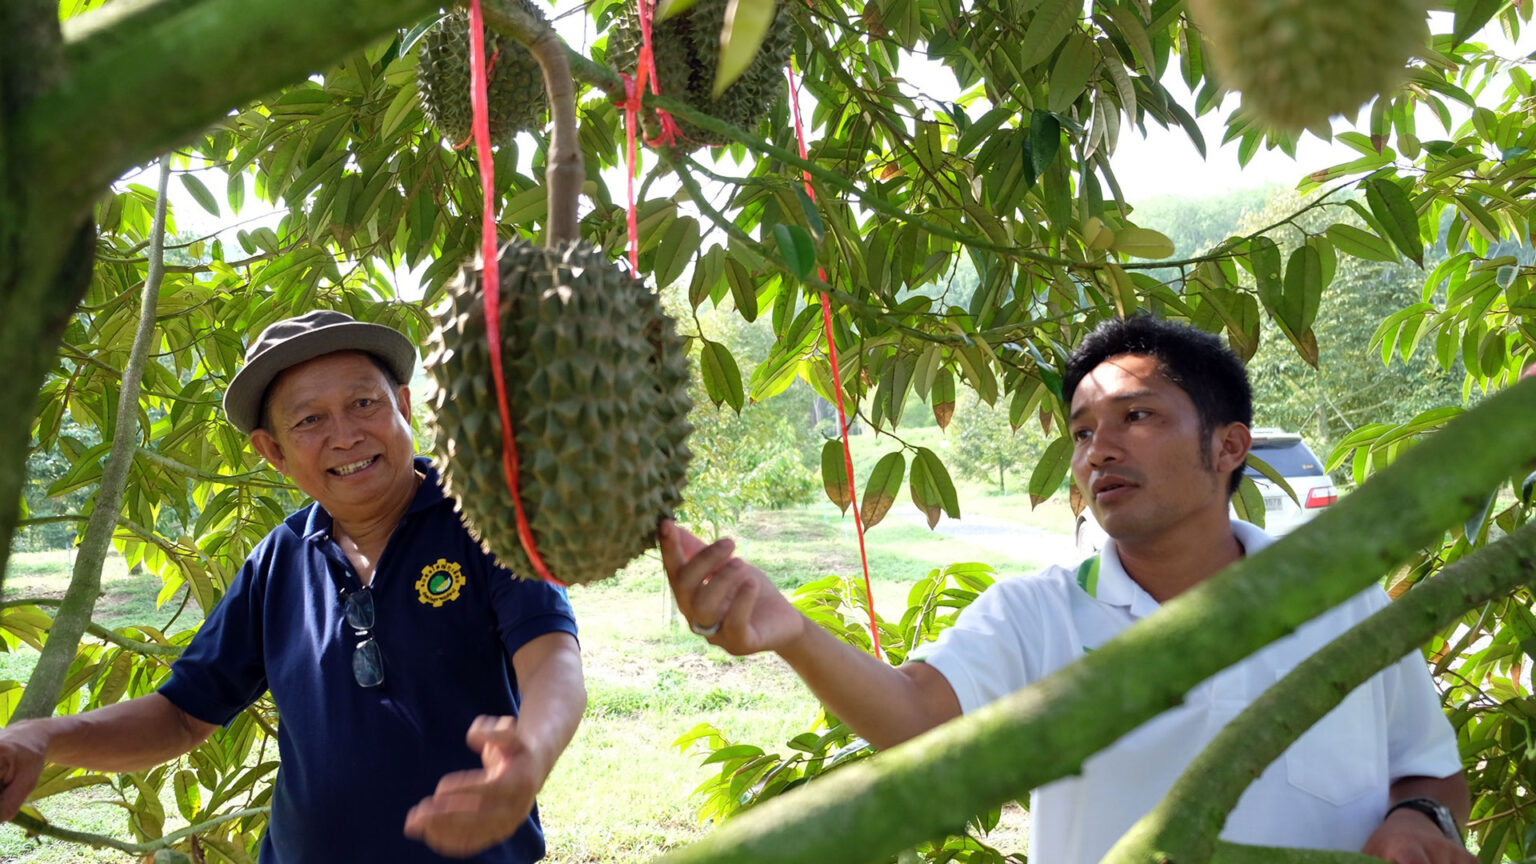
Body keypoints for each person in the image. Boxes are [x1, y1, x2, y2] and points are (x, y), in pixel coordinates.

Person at [661, 315, 1474, 864]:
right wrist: (792, 631)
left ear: (1229, 446)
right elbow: (913, 715)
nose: (1099, 452)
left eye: (1138, 417)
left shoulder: (1341, 601)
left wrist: (1420, 820)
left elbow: (1429, 769)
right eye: (1083, 432)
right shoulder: (1038, 613)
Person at [0, 310, 586, 863]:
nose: (346, 435)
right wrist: (39, 738)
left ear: (404, 406)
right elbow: (181, 716)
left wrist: (530, 753)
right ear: (273, 451)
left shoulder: (488, 519)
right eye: (309, 420)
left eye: (363, 403)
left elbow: (552, 659)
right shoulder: (276, 561)